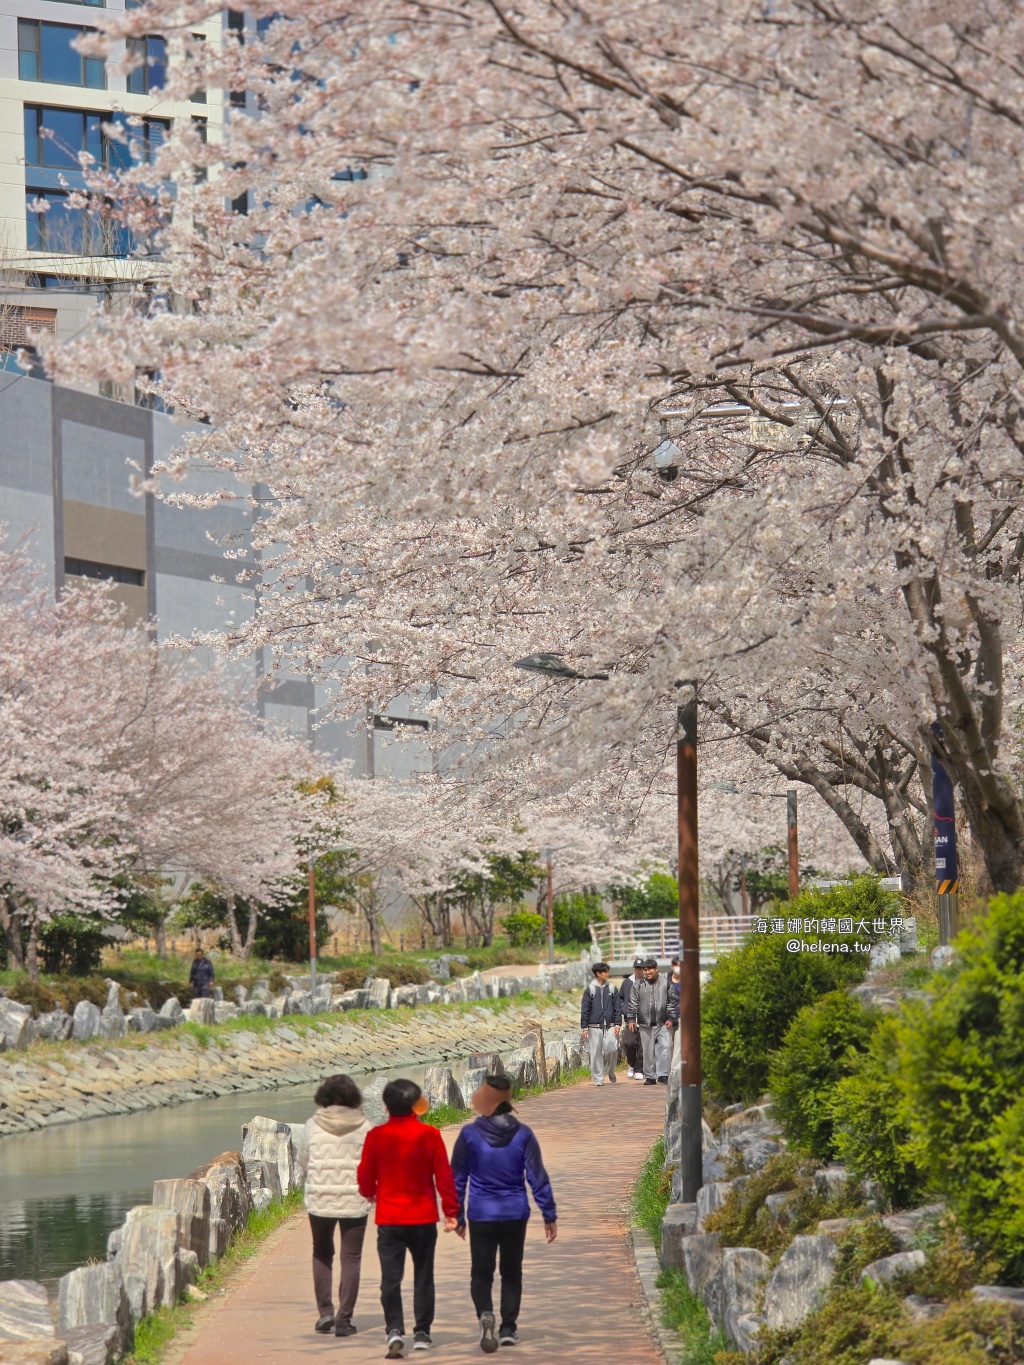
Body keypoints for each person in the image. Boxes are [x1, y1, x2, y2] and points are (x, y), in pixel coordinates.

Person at [451, 1075, 557, 1353]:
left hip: (481, 1213)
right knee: (512, 1272)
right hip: (514, 1213)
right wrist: (549, 1214)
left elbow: (457, 1179)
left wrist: (456, 1215)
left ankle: (485, 1313)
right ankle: (508, 1328)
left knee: (481, 1273)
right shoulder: (523, 1135)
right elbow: (537, 1177)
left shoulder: (469, 1136)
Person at [357, 1078, 459, 1358]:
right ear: (416, 1105)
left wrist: (369, 1194)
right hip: (423, 1217)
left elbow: (365, 1176)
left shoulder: (376, 1136)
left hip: (389, 1219)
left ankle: (394, 1330)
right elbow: (444, 1178)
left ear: (386, 1106)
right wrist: (451, 1213)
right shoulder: (430, 1135)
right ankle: (423, 1332)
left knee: (390, 1279)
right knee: (423, 1276)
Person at [296, 1074, 372, 1337]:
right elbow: (371, 1166)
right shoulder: (365, 1127)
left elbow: (303, 1161)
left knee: (321, 1252)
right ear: (354, 1098)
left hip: (320, 1200)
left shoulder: (311, 1125)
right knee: (351, 1258)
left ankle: (325, 1313)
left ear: (324, 1097)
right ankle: (344, 1319)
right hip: (355, 1200)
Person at [627, 957, 678, 1085]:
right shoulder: (638, 984)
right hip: (645, 1023)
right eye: (645, 970)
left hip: (663, 1023)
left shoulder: (665, 983)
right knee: (648, 1051)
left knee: (664, 1048)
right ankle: (650, 1076)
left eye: (650, 969)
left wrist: (671, 1018)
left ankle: (663, 1074)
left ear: (656, 969)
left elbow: (672, 1002)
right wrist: (632, 1018)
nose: (648, 972)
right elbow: (633, 1002)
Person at [580, 961, 621, 1086]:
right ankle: (598, 1078)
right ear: (598, 974)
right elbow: (585, 1009)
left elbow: (617, 1007)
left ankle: (610, 1070)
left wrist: (618, 1024)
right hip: (594, 1026)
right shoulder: (590, 989)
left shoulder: (613, 988)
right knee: (595, 1052)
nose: (607, 974)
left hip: (610, 1025)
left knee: (612, 1049)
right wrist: (584, 1027)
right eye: (605, 972)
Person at [619, 957, 645, 1079]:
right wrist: (626, 1012)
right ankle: (632, 1064)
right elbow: (621, 999)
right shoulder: (627, 982)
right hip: (630, 1018)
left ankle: (640, 1069)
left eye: (641, 969)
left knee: (642, 1045)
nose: (639, 971)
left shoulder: (647, 982)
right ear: (634, 968)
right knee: (629, 1043)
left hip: (644, 1019)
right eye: (637, 968)